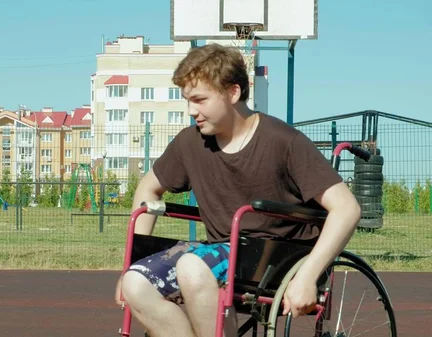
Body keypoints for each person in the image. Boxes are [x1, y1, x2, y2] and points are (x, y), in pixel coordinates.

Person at [115, 43, 361, 337]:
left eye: (200, 99)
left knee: (194, 267)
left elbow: (347, 208)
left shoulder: (283, 141)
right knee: (135, 282)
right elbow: (149, 188)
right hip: (218, 252)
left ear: (233, 93)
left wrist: (308, 276)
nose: (191, 110)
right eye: (187, 100)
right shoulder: (189, 143)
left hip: (277, 255)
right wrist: (131, 263)